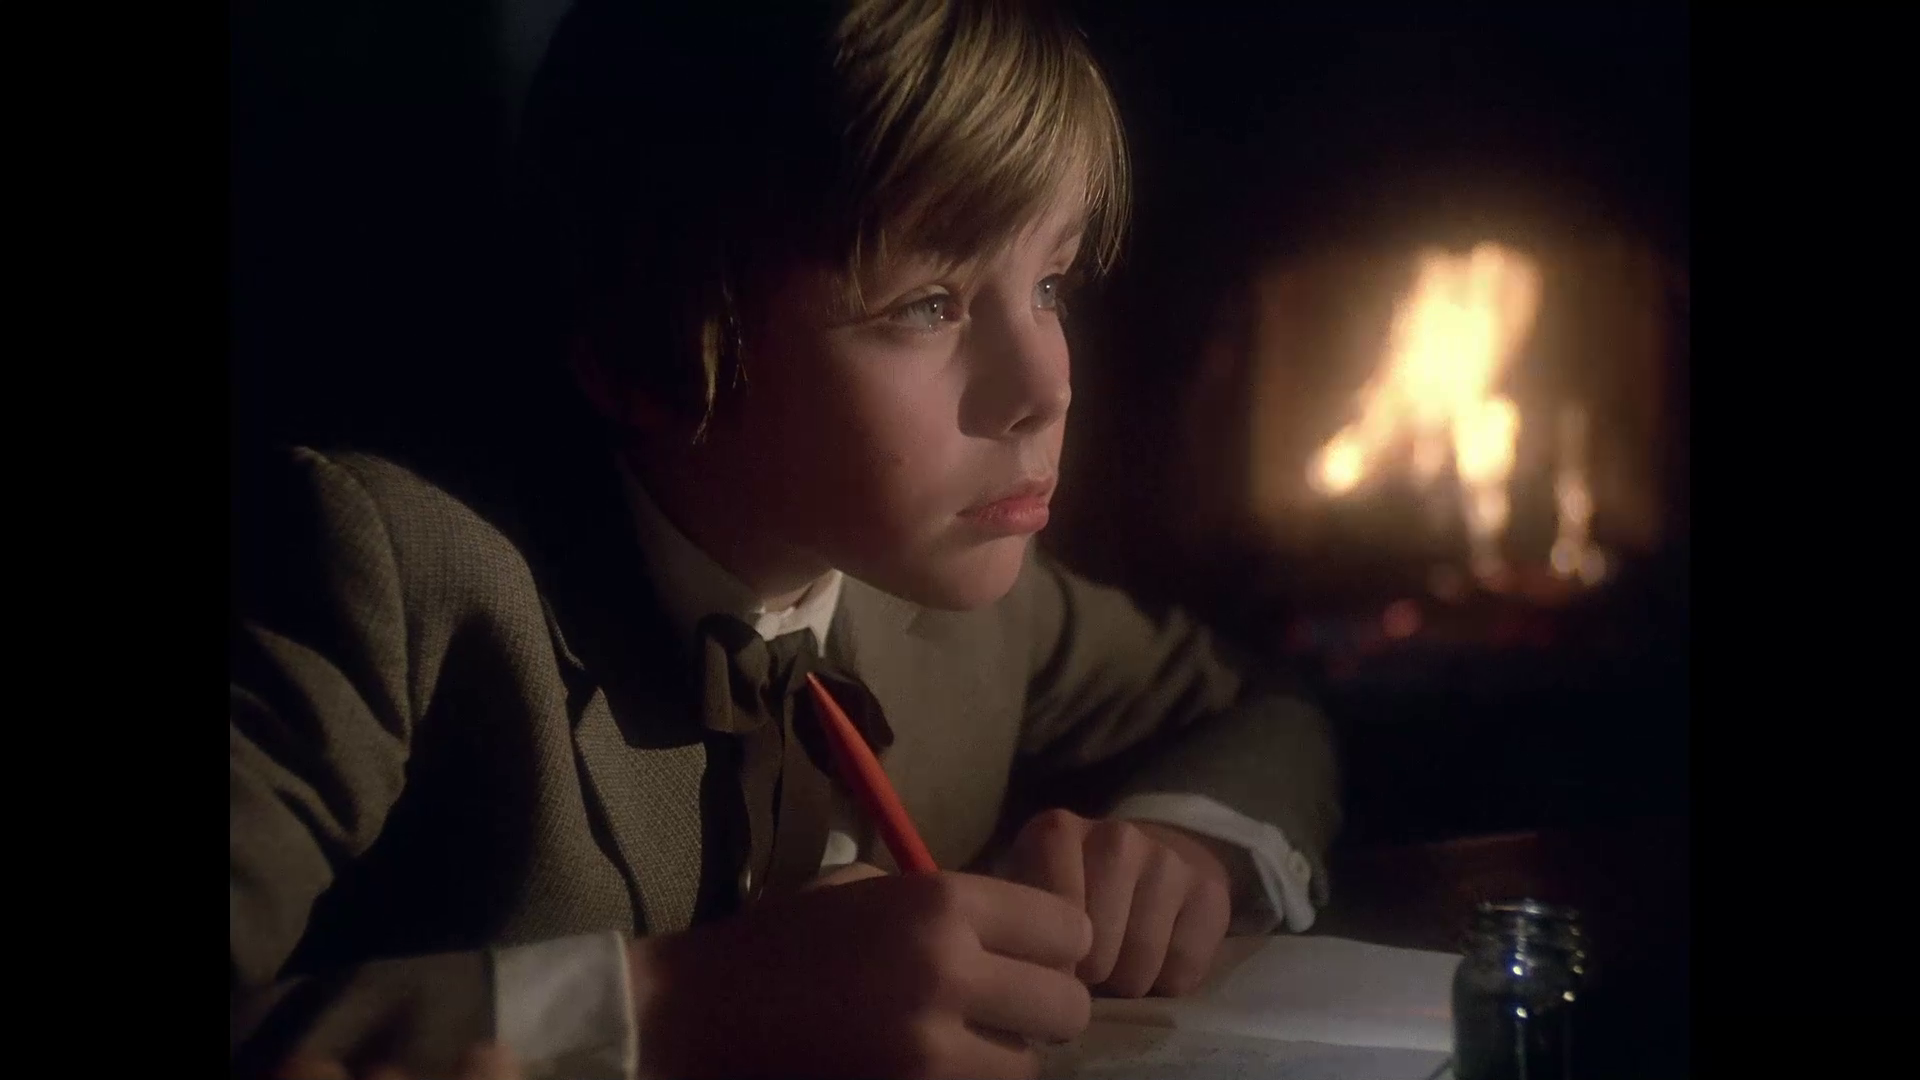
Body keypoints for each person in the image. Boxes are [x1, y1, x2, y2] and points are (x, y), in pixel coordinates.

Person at [230, 2, 1340, 1077]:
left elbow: (1255, 705)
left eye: (1050, 282)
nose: (1047, 385)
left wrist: (1182, 848)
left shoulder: (966, 600)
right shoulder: (382, 574)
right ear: (645, 343)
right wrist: (672, 1010)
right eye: (928, 304)